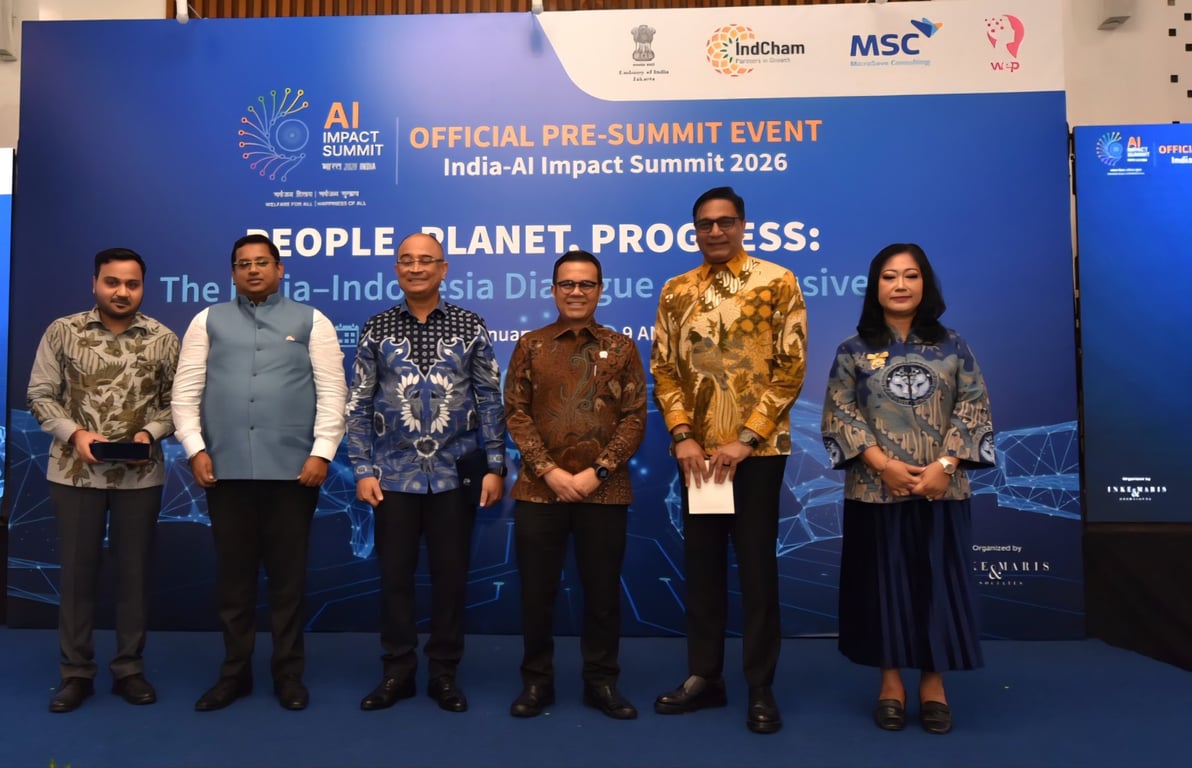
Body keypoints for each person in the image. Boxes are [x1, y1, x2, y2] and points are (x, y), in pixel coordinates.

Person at [650, 186, 807, 734]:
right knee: (703, 569)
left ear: (742, 225)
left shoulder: (777, 281)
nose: (715, 231)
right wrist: (682, 435)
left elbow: (790, 368)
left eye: (725, 221)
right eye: (705, 224)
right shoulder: (676, 290)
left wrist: (747, 439)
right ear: (694, 230)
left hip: (756, 456)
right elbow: (663, 370)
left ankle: (760, 687)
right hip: (698, 458)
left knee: (758, 571)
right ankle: (705, 677)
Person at [821, 243, 995, 735]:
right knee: (883, 587)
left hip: (942, 488)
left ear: (925, 284)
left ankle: (934, 684)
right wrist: (882, 465)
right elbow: (839, 414)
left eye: (910, 276)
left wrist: (945, 463)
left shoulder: (953, 346)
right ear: (875, 287)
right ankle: (891, 683)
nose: (900, 285)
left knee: (937, 584)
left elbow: (974, 407)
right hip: (875, 490)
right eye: (889, 276)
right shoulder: (853, 350)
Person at [172, 233, 347, 712]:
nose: (253, 270)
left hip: (294, 474)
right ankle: (235, 674)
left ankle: (288, 675)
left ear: (279, 269)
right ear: (233, 272)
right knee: (234, 584)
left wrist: (322, 453)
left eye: (262, 262)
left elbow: (333, 393)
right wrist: (194, 448)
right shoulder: (207, 320)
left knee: (288, 583)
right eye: (243, 263)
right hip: (224, 472)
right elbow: (185, 393)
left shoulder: (312, 320)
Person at [346, 232, 506, 714]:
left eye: (426, 260)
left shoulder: (470, 325)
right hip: (391, 477)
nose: (416, 268)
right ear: (397, 269)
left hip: (454, 476)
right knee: (394, 579)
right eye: (406, 260)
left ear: (443, 268)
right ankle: (397, 671)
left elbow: (490, 399)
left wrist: (495, 465)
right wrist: (361, 467)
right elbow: (358, 402)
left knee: (450, 579)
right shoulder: (376, 327)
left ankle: (443, 674)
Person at [28, 247, 179, 713]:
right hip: (75, 473)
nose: (122, 292)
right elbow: (40, 394)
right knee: (77, 575)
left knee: (134, 575)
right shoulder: (63, 331)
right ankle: (76, 673)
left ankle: (129, 669)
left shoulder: (163, 338)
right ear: (94, 283)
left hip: (140, 475)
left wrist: (148, 434)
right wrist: (75, 434)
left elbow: (178, 403)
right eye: (112, 282)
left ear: (142, 288)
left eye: (132, 284)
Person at [503, 250, 647, 720]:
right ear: (553, 290)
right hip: (539, 490)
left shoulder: (622, 348)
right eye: (567, 284)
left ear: (600, 291)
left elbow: (634, 417)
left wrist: (596, 472)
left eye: (586, 284)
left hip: (604, 491)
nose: (577, 292)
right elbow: (516, 413)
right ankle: (536, 682)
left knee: (602, 594)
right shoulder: (531, 345)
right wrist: (549, 471)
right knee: (536, 593)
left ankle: (601, 682)